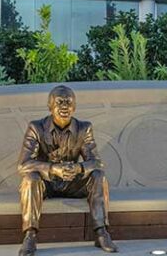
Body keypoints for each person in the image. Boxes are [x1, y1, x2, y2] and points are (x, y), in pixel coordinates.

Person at [17, 84, 118, 255]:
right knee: (30, 178)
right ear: (50, 106)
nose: (64, 106)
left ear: (75, 106)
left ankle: (101, 232)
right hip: (47, 184)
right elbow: (23, 164)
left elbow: (97, 162)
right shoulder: (36, 127)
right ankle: (30, 236)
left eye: (69, 102)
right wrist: (53, 169)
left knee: (98, 175)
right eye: (60, 102)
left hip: (72, 182)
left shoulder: (84, 128)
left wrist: (79, 168)